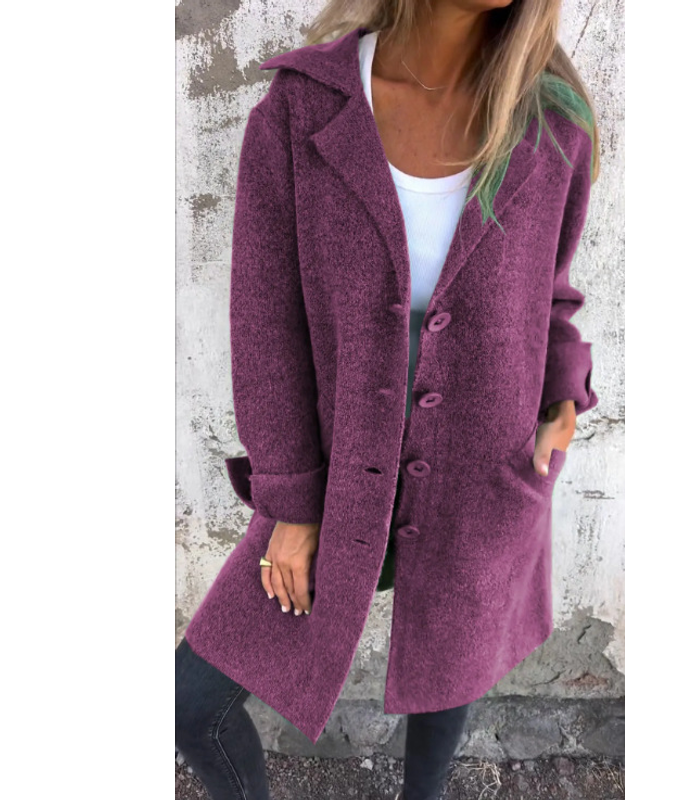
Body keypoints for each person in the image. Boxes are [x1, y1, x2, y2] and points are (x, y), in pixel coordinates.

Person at [176, 2, 601, 799]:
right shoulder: (302, 109)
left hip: (483, 472)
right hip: (337, 470)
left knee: (444, 692)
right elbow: (265, 321)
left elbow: (551, 294)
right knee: (193, 705)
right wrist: (293, 505)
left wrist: (565, 399)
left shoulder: (549, 126)